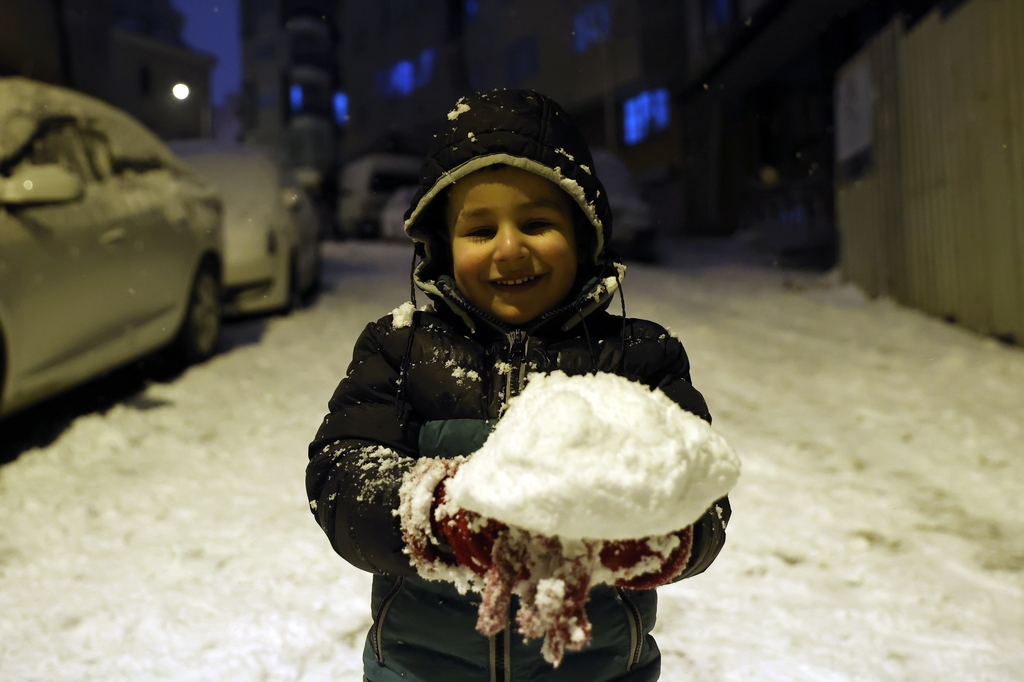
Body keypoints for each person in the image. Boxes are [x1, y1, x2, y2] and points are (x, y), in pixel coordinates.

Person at [307, 89, 731, 682]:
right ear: (441, 246)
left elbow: (704, 501)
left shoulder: (637, 357)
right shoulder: (399, 350)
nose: (510, 248)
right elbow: (341, 478)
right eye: (480, 230)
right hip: (422, 671)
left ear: (583, 235)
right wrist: (445, 515)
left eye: (536, 223)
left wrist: (654, 533)